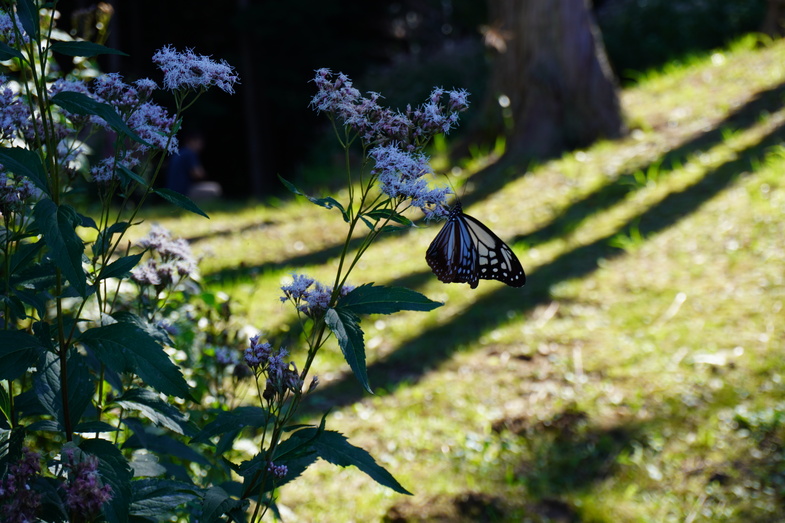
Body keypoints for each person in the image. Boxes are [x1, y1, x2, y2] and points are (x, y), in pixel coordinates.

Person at [166, 130, 222, 200]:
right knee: (215, 189)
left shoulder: (178, 152)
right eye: (199, 143)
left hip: (171, 192)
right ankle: (205, 209)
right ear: (192, 141)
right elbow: (197, 174)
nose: (201, 146)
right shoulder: (190, 153)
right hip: (183, 192)